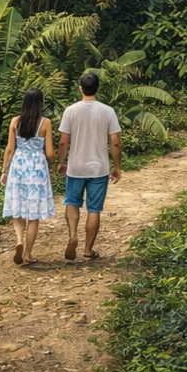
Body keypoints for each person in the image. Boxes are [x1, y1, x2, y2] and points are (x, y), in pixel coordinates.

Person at [56, 71, 121, 261]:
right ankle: (87, 250)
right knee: (94, 210)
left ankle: (72, 235)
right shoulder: (108, 111)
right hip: (99, 169)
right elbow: (115, 141)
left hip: (75, 167)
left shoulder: (71, 110)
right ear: (97, 88)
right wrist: (117, 167)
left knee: (71, 202)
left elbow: (63, 141)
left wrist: (61, 162)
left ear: (80, 88)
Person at [0, 87, 54, 265]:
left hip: (18, 166)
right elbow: (50, 153)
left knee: (18, 208)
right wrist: (56, 162)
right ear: (41, 104)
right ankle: (28, 254)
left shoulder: (15, 121)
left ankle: (19, 241)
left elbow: (9, 149)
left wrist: (4, 171)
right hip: (37, 168)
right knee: (34, 215)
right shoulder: (45, 123)